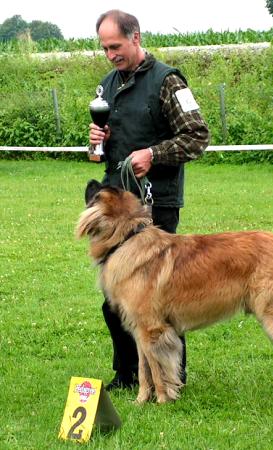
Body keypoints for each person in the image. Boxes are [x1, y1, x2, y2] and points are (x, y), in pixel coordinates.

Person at [88, 9, 210, 391]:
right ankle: (128, 375)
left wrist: (153, 155)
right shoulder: (108, 84)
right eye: (105, 48)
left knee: (161, 298)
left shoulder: (167, 82)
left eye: (116, 46)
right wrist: (97, 142)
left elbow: (197, 136)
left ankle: (172, 377)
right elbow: (106, 145)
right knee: (117, 300)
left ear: (136, 38)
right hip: (116, 209)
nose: (110, 54)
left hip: (155, 206)